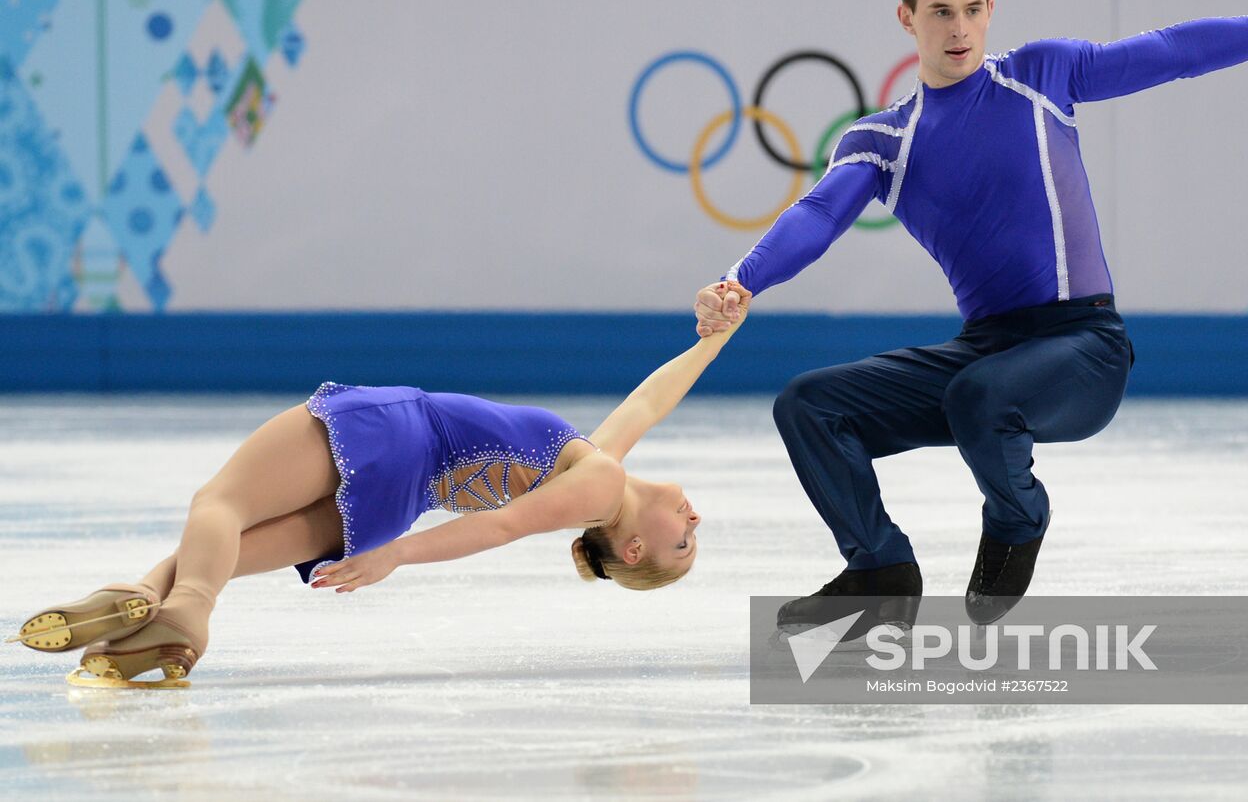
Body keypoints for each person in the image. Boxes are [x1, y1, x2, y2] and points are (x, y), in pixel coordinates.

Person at [695, 0, 1248, 634]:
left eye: (972, 9)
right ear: (907, 18)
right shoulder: (882, 140)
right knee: (810, 405)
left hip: (1085, 348)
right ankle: (879, 569)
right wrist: (739, 282)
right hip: (988, 349)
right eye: (940, 12)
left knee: (978, 395)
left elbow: (1175, 51)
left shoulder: (1040, 77)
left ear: (991, 10)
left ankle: (1018, 519)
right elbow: (818, 214)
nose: (959, 28)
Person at [16, 291, 747, 686]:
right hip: (398, 497)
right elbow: (650, 400)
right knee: (223, 549)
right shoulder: (599, 470)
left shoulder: (601, 484)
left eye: (683, 544)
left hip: (401, 433)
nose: (696, 521)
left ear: (633, 547)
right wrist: (716, 336)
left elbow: (500, 527)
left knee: (219, 505)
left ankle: (185, 614)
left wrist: (399, 555)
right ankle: (144, 599)